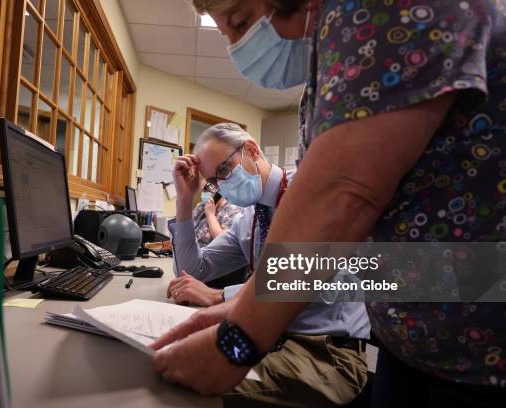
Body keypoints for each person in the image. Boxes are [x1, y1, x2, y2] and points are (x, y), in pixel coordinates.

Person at [152, 0, 506, 406]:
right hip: (414, 339)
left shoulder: (388, 10)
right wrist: (224, 313)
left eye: (240, 22)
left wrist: (235, 338)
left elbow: (344, 198)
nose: (237, 46)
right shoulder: (326, 78)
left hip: (476, 346)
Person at [165, 122, 370, 406]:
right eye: (214, 181)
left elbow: (325, 281)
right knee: (173, 365)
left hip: (323, 351)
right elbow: (193, 270)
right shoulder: (246, 221)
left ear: (250, 150)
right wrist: (185, 200)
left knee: (192, 391)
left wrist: (220, 296)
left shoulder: (314, 190)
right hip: (263, 337)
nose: (222, 185)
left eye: (224, 170)